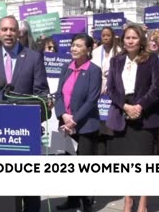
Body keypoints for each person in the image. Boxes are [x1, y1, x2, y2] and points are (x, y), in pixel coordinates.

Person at [0, 15, 49, 212]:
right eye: (4, 30)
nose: (8, 34)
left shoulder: (33, 57)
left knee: (28, 186)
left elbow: (41, 92)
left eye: (12, 30)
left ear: (18, 33)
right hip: (0, 132)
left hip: (25, 130)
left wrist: (36, 117)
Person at [105, 24, 159, 212]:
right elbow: (111, 89)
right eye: (127, 37)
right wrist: (125, 106)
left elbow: (156, 87)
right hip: (123, 111)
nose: (130, 41)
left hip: (144, 114)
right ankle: (128, 200)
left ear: (141, 41)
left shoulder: (151, 59)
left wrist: (139, 106)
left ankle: (143, 203)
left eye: (134, 38)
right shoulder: (116, 61)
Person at [54, 34, 101, 212]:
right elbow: (58, 94)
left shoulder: (93, 70)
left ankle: (87, 202)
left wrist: (74, 119)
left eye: (79, 46)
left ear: (88, 50)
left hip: (85, 125)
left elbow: (92, 100)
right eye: (73, 45)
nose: (74, 48)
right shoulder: (66, 67)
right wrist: (63, 115)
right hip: (65, 124)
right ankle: (72, 200)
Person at [91, 26, 121, 154]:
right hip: (98, 85)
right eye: (103, 35)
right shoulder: (96, 51)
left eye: (108, 35)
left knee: (109, 117)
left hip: (113, 86)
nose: (106, 38)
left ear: (112, 36)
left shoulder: (119, 51)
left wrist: (109, 85)